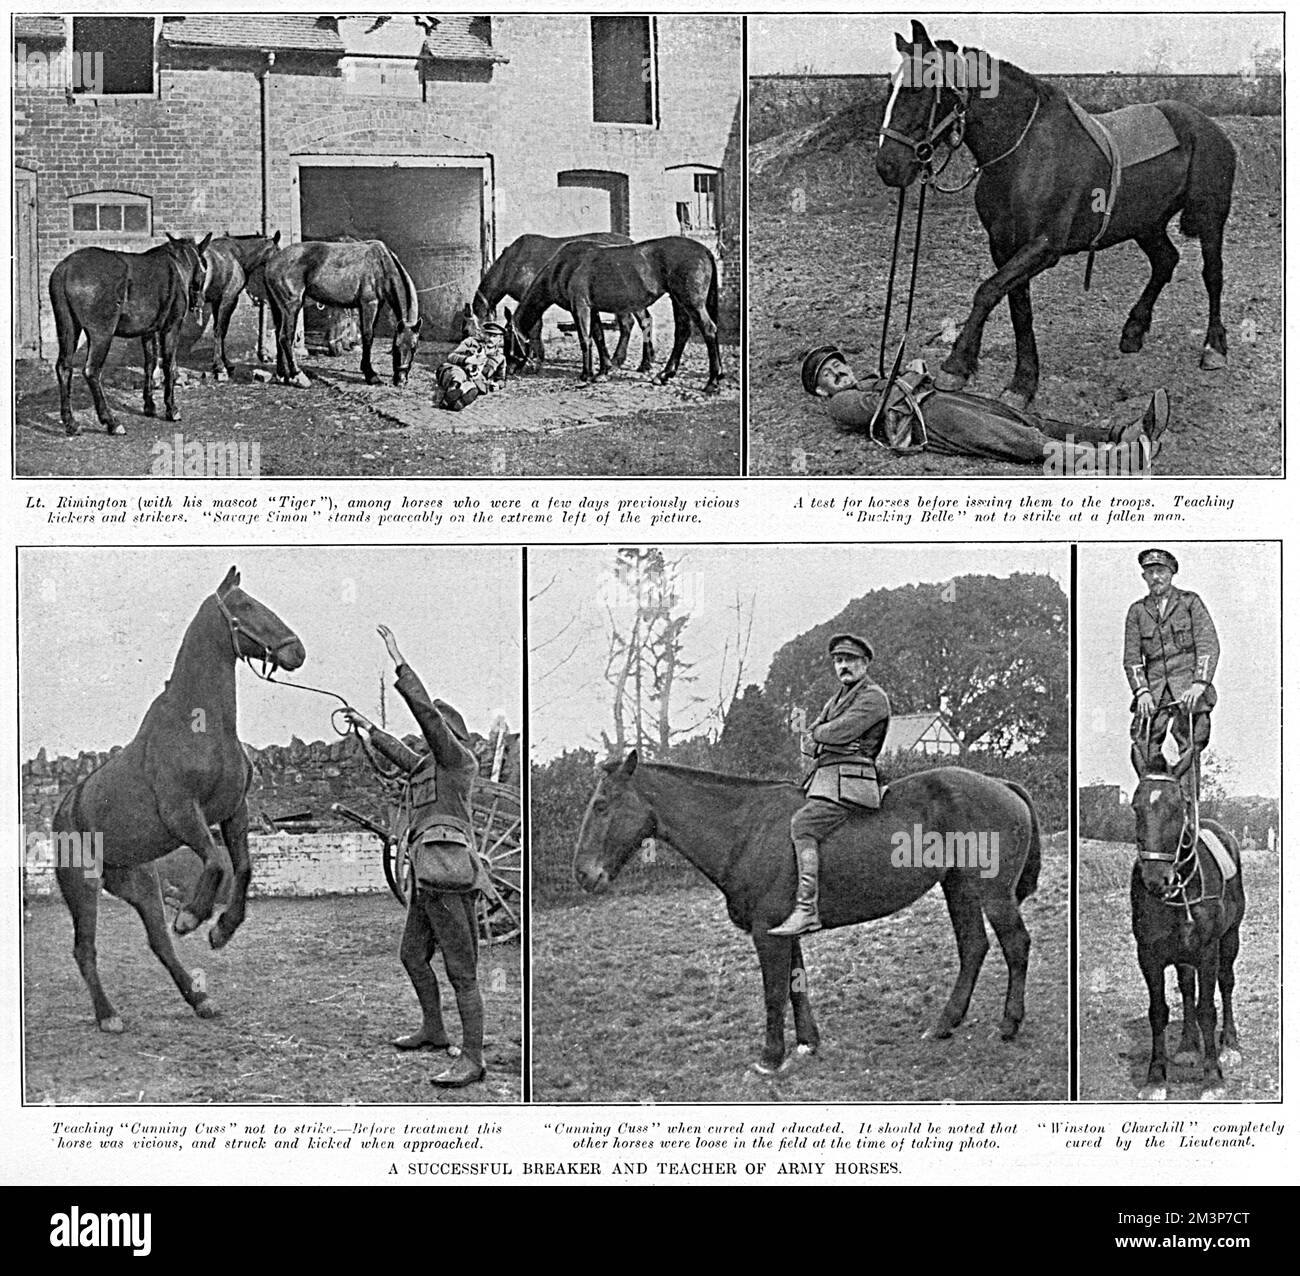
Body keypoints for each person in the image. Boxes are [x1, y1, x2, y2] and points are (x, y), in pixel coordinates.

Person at [342, 625, 487, 1088]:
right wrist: (366, 726)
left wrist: (399, 662)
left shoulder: (457, 762)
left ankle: (473, 1058)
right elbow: (401, 752)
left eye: (436, 734)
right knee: (412, 955)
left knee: (462, 972)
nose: (428, 741)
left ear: (449, 735)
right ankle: (433, 1028)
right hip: (426, 877)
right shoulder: (428, 766)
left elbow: (426, 718)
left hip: (449, 876)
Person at [800, 345, 1169, 469]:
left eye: (838, 364)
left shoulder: (861, 380)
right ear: (820, 391)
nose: (838, 372)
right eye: (829, 374)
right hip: (932, 420)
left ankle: (1120, 434)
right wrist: (911, 375)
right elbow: (882, 406)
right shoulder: (840, 404)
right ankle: (1118, 459)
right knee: (1020, 438)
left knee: (1024, 418)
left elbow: (886, 390)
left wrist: (905, 377)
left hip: (940, 403)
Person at [771, 633, 891, 937]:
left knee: (804, 824)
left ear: (864, 663)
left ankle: (807, 911)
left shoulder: (873, 697)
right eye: (839, 661)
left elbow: (838, 732)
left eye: (850, 660)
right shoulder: (836, 699)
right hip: (824, 780)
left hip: (853, 781)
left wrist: (823, 735)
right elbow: (809, 741)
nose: (843, 666)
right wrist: (823, 736)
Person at [1124, 548, 1220, 779]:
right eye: (1150, 572)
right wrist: (1142, 691)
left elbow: (1208, 645)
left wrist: (1199, 684)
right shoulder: (1137, 611)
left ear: (1171, 574)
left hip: (1188, 690)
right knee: (1143, 747)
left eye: (1161, 571)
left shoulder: (1190, 602)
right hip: (1154, 693)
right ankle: (1153, 807)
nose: (1156, 577)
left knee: (1190, 749)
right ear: (1144, 577)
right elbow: (1132, 657)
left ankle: (1188, 809)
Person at [435, 322, 508, 411]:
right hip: (456, 370)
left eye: (494, 336)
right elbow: (451, 357)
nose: (490, 338)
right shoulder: (470, 342)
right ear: (484, 334)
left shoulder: (500, 358)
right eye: (488, 335)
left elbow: (501, 379)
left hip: (476, 380)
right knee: (458, 375)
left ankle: (456, 402)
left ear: (500, 339)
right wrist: (468, 360)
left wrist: (498, 385)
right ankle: (451, 394)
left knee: (473, 387)